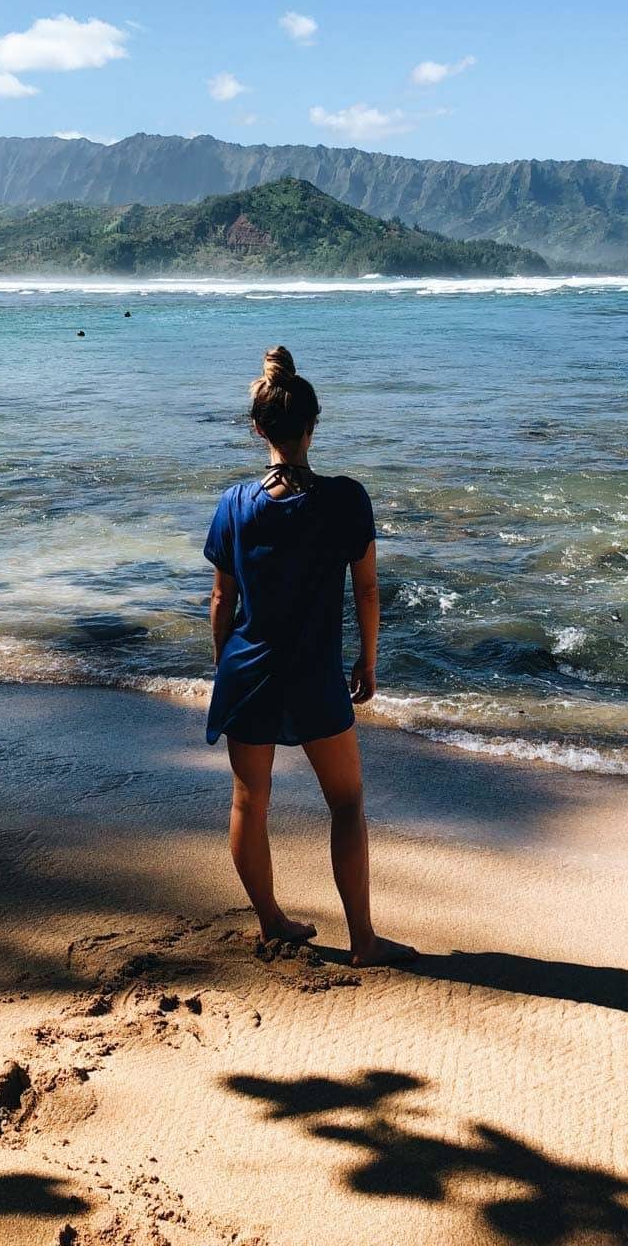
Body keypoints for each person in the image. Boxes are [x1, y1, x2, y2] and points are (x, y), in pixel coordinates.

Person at [204, 346, 416, 967]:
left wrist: (224, 668)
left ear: (258, 429)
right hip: (315, 673)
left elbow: (221, 600)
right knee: (346, 803)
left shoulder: (234, 504)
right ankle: (363, 940)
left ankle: (271, 921)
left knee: (249, 802)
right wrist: (367, 662)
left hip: (248, 668)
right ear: (313, 425)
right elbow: (367, 591)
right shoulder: (346, 499)